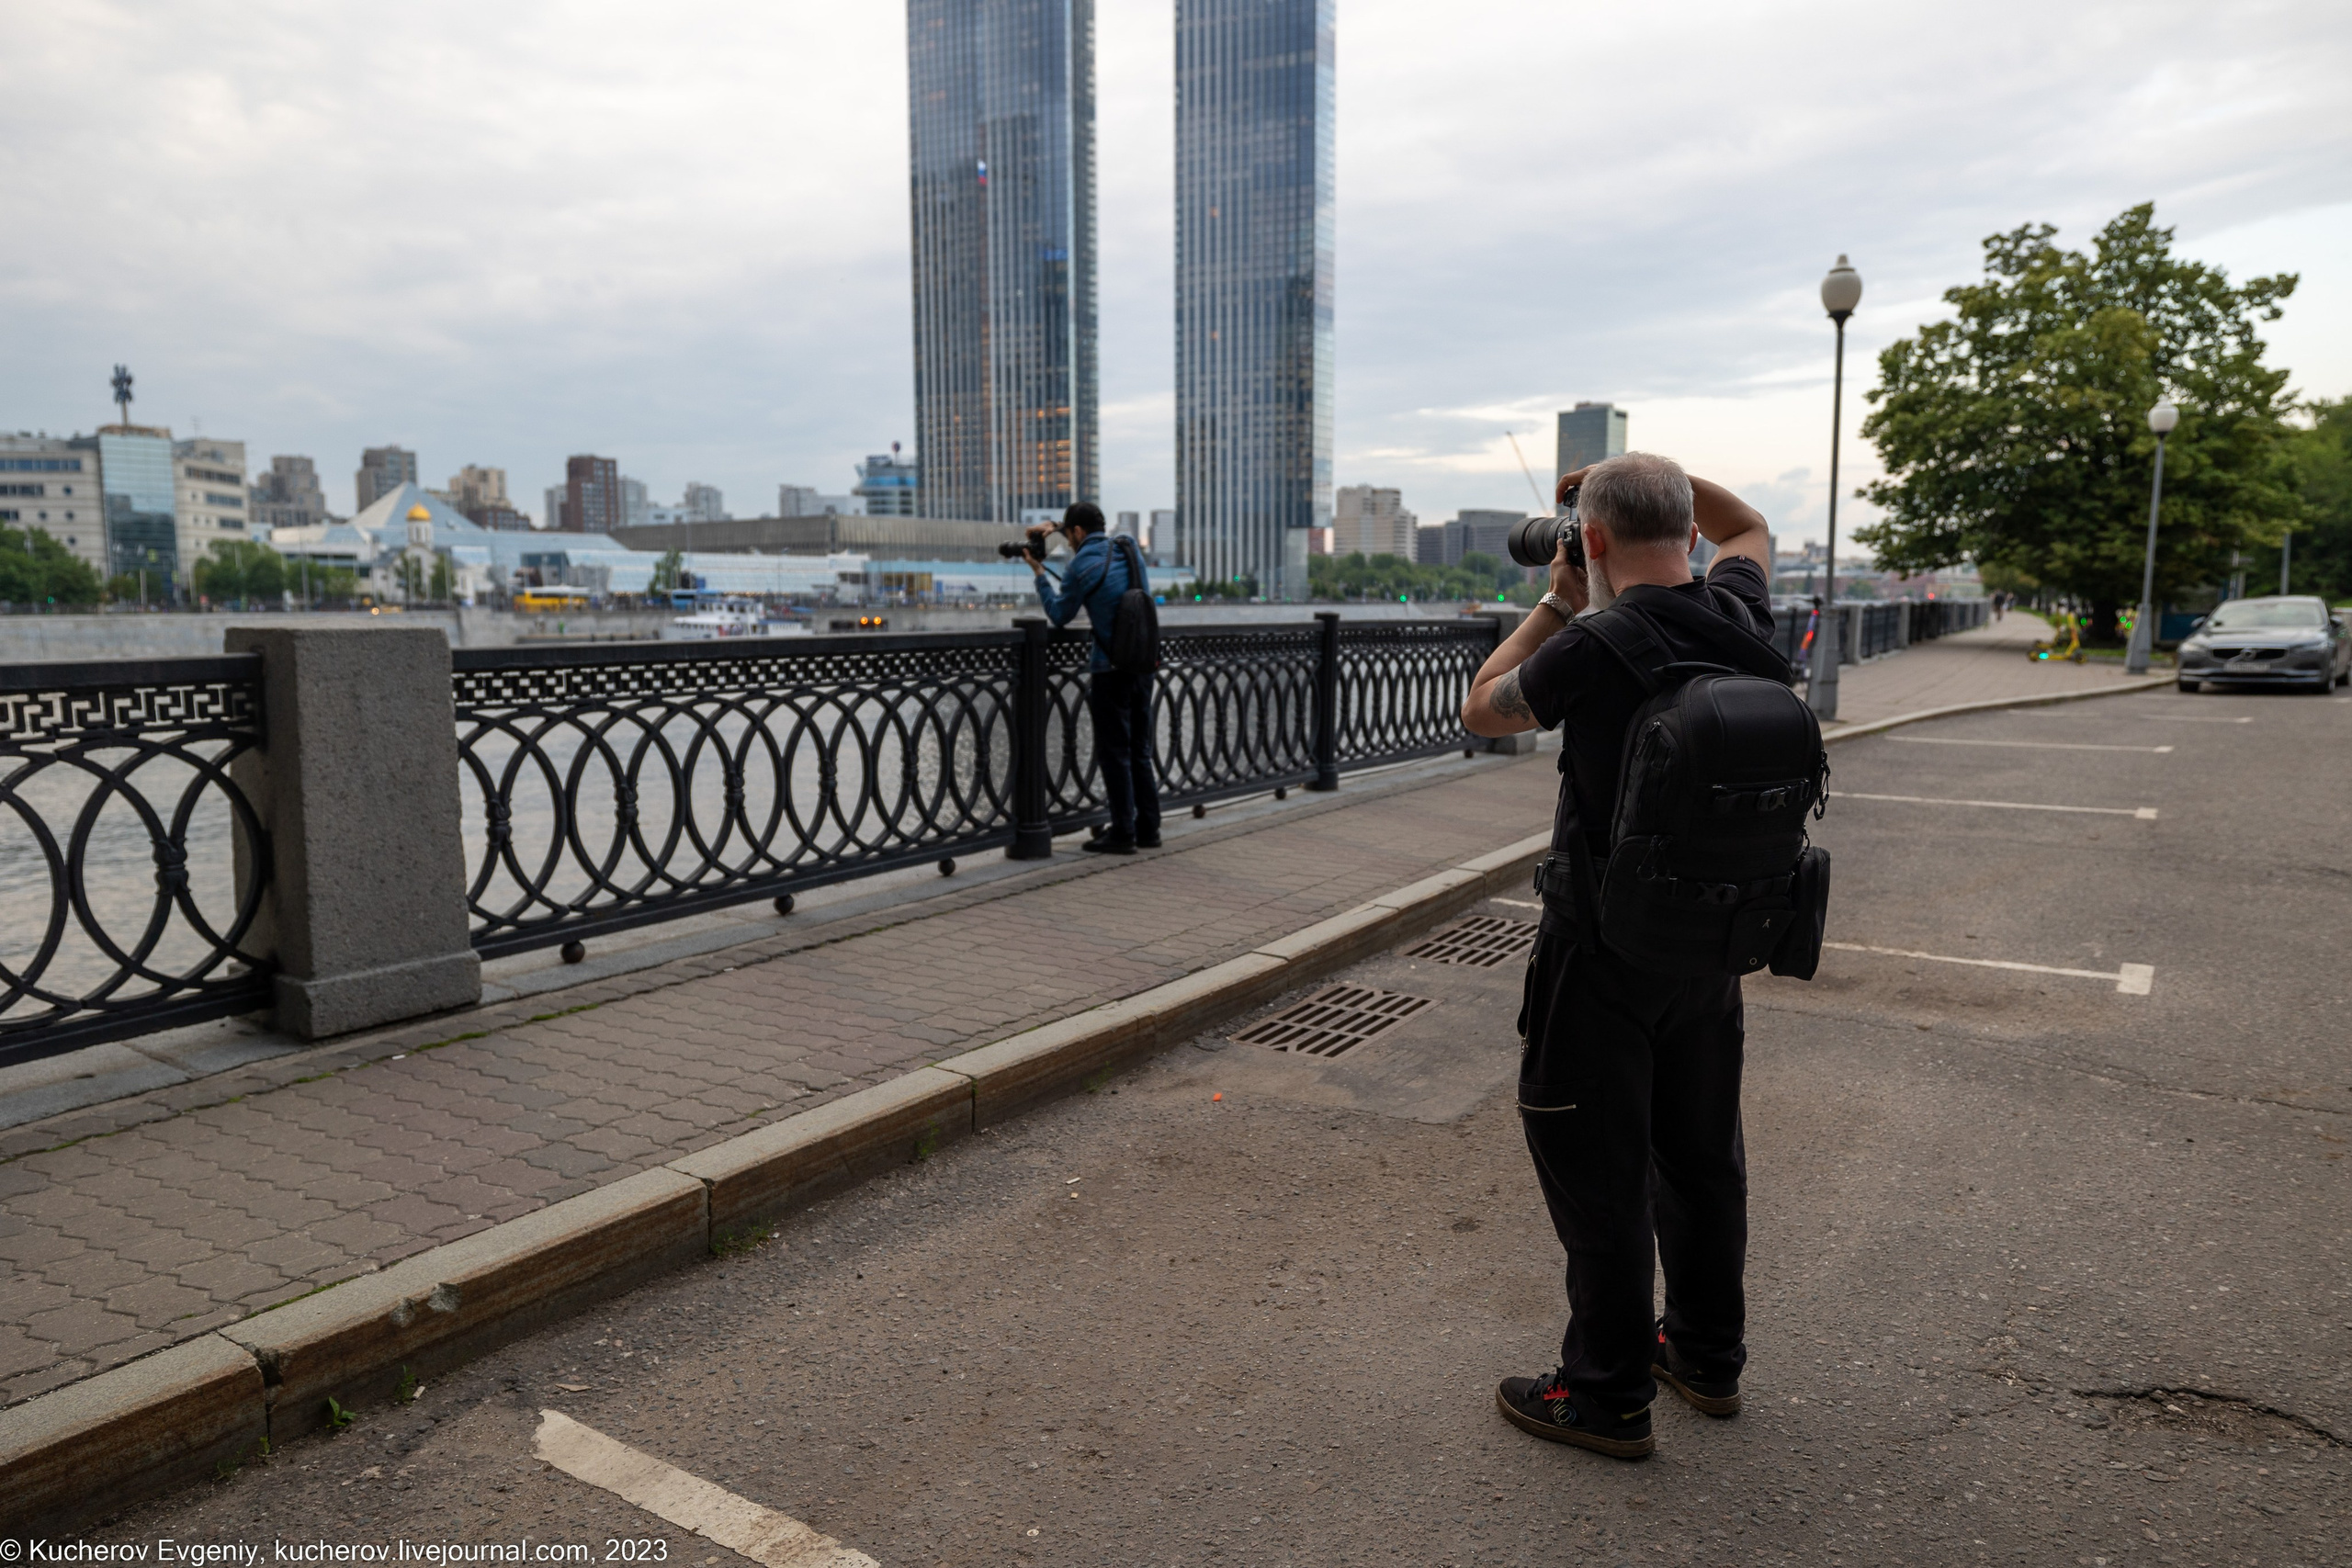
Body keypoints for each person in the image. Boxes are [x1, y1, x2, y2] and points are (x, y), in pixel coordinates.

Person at [1459, 451, 1779, 1461]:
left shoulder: (1594, 642)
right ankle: (1704, 1356)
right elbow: (1751, 528)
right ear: (1685, 534)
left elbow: (1481, 709)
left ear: (1588, 542)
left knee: (1597, 1178)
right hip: (1708, 951)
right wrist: (1666, 478)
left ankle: (1604, 1397)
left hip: (1598, 955)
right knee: (1699, 1163)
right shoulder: (1737, 613)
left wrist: (1558, 603)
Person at [1026, 502, 1162, 853]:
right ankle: (1148, 828)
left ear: (1078, 533)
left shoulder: (1080, 566)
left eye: (1069, 537)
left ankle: (1122, 833)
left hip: (1110, 668)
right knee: (1139, 750)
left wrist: (1040, 575)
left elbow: (1059, 614)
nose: (1069, 544)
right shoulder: (1129, 547)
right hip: (1143, 663)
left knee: (1114, 753)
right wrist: (1057, 526)